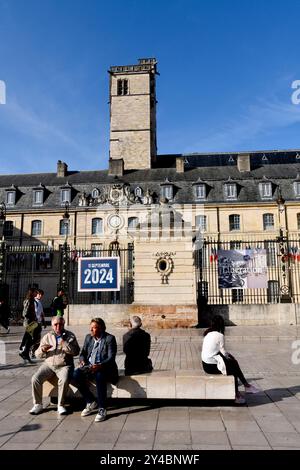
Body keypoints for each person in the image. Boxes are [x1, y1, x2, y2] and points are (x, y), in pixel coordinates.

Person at [201, 315, 260, 404]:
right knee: (233, 368)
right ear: (221, 325)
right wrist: (230, 357)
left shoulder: (207, 334)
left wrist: (230, 357)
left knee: (233, 363)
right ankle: (238, 394)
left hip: (205, 364)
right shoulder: (220, 335)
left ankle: (246, 386)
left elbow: (217, 351)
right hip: (211, 367)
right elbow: (223, 353)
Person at [29, 316, 80, 415]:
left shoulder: (70, 336)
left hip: (64, 365)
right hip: (48, 365)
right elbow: (37, 354)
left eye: (60, 324)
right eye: (55, 324)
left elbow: (76, 352)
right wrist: (42, 350)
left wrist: (64, 343)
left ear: (63, 324)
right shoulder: (47, 336)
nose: (58, 327)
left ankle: (61, 405)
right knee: (35, 378)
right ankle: (38, 404)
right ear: (52, 325)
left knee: (64, 379)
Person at [73, 318, 118, 422]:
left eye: (94, 328)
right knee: (75, 375)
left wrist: (100, 365)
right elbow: (83, 353)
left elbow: (111, 358)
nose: (91, 330)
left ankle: (102, 408)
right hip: (89, 366)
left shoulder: (109, 338)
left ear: (101, 328)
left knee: (99, 376)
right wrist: (82, 360)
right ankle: (90, 401)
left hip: (105, 368)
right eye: (91, 328)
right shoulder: (88, 337)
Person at [19, 288, 39, 363]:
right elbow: (25, 313)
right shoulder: (28, 301)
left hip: (32, 322)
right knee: (30, 338)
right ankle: (24, 352)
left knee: (31, 338)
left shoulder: (32, 301)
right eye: (35, 292)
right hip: (29, 322)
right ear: (32, 293)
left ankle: (25, 352)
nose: (36, 293)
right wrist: (32, 319)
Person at [31, 289, 47, 360]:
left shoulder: (39, 302)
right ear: (36, 294)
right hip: (34, 323)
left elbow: (41, 313)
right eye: (39, 294)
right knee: (34, 338)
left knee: (38, 339)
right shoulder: (33, 302)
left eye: (41, 295)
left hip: (39, 323)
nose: (40, 296)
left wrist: (44, 321)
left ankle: (34, 352)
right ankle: (31, 351)